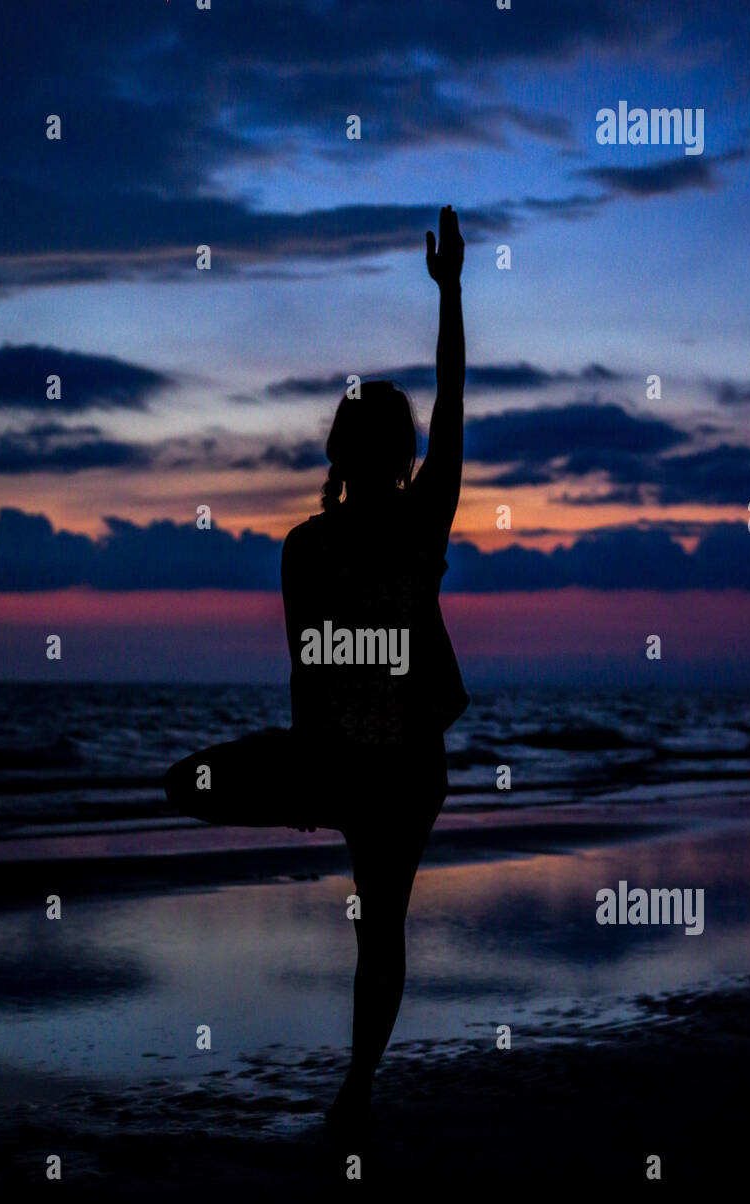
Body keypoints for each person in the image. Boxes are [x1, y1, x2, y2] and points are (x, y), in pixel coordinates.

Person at [281, 206, 469, 1133]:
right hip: (395, 758)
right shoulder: (405, 521)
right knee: (380, 917)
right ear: (396, 455)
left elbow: (307, 668)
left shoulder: (308, 544)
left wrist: (316, 757)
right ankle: (358, 1084)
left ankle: (356, 1087)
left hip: (371, 757)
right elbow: (456, 399)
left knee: (379, 915)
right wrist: (452, 293)